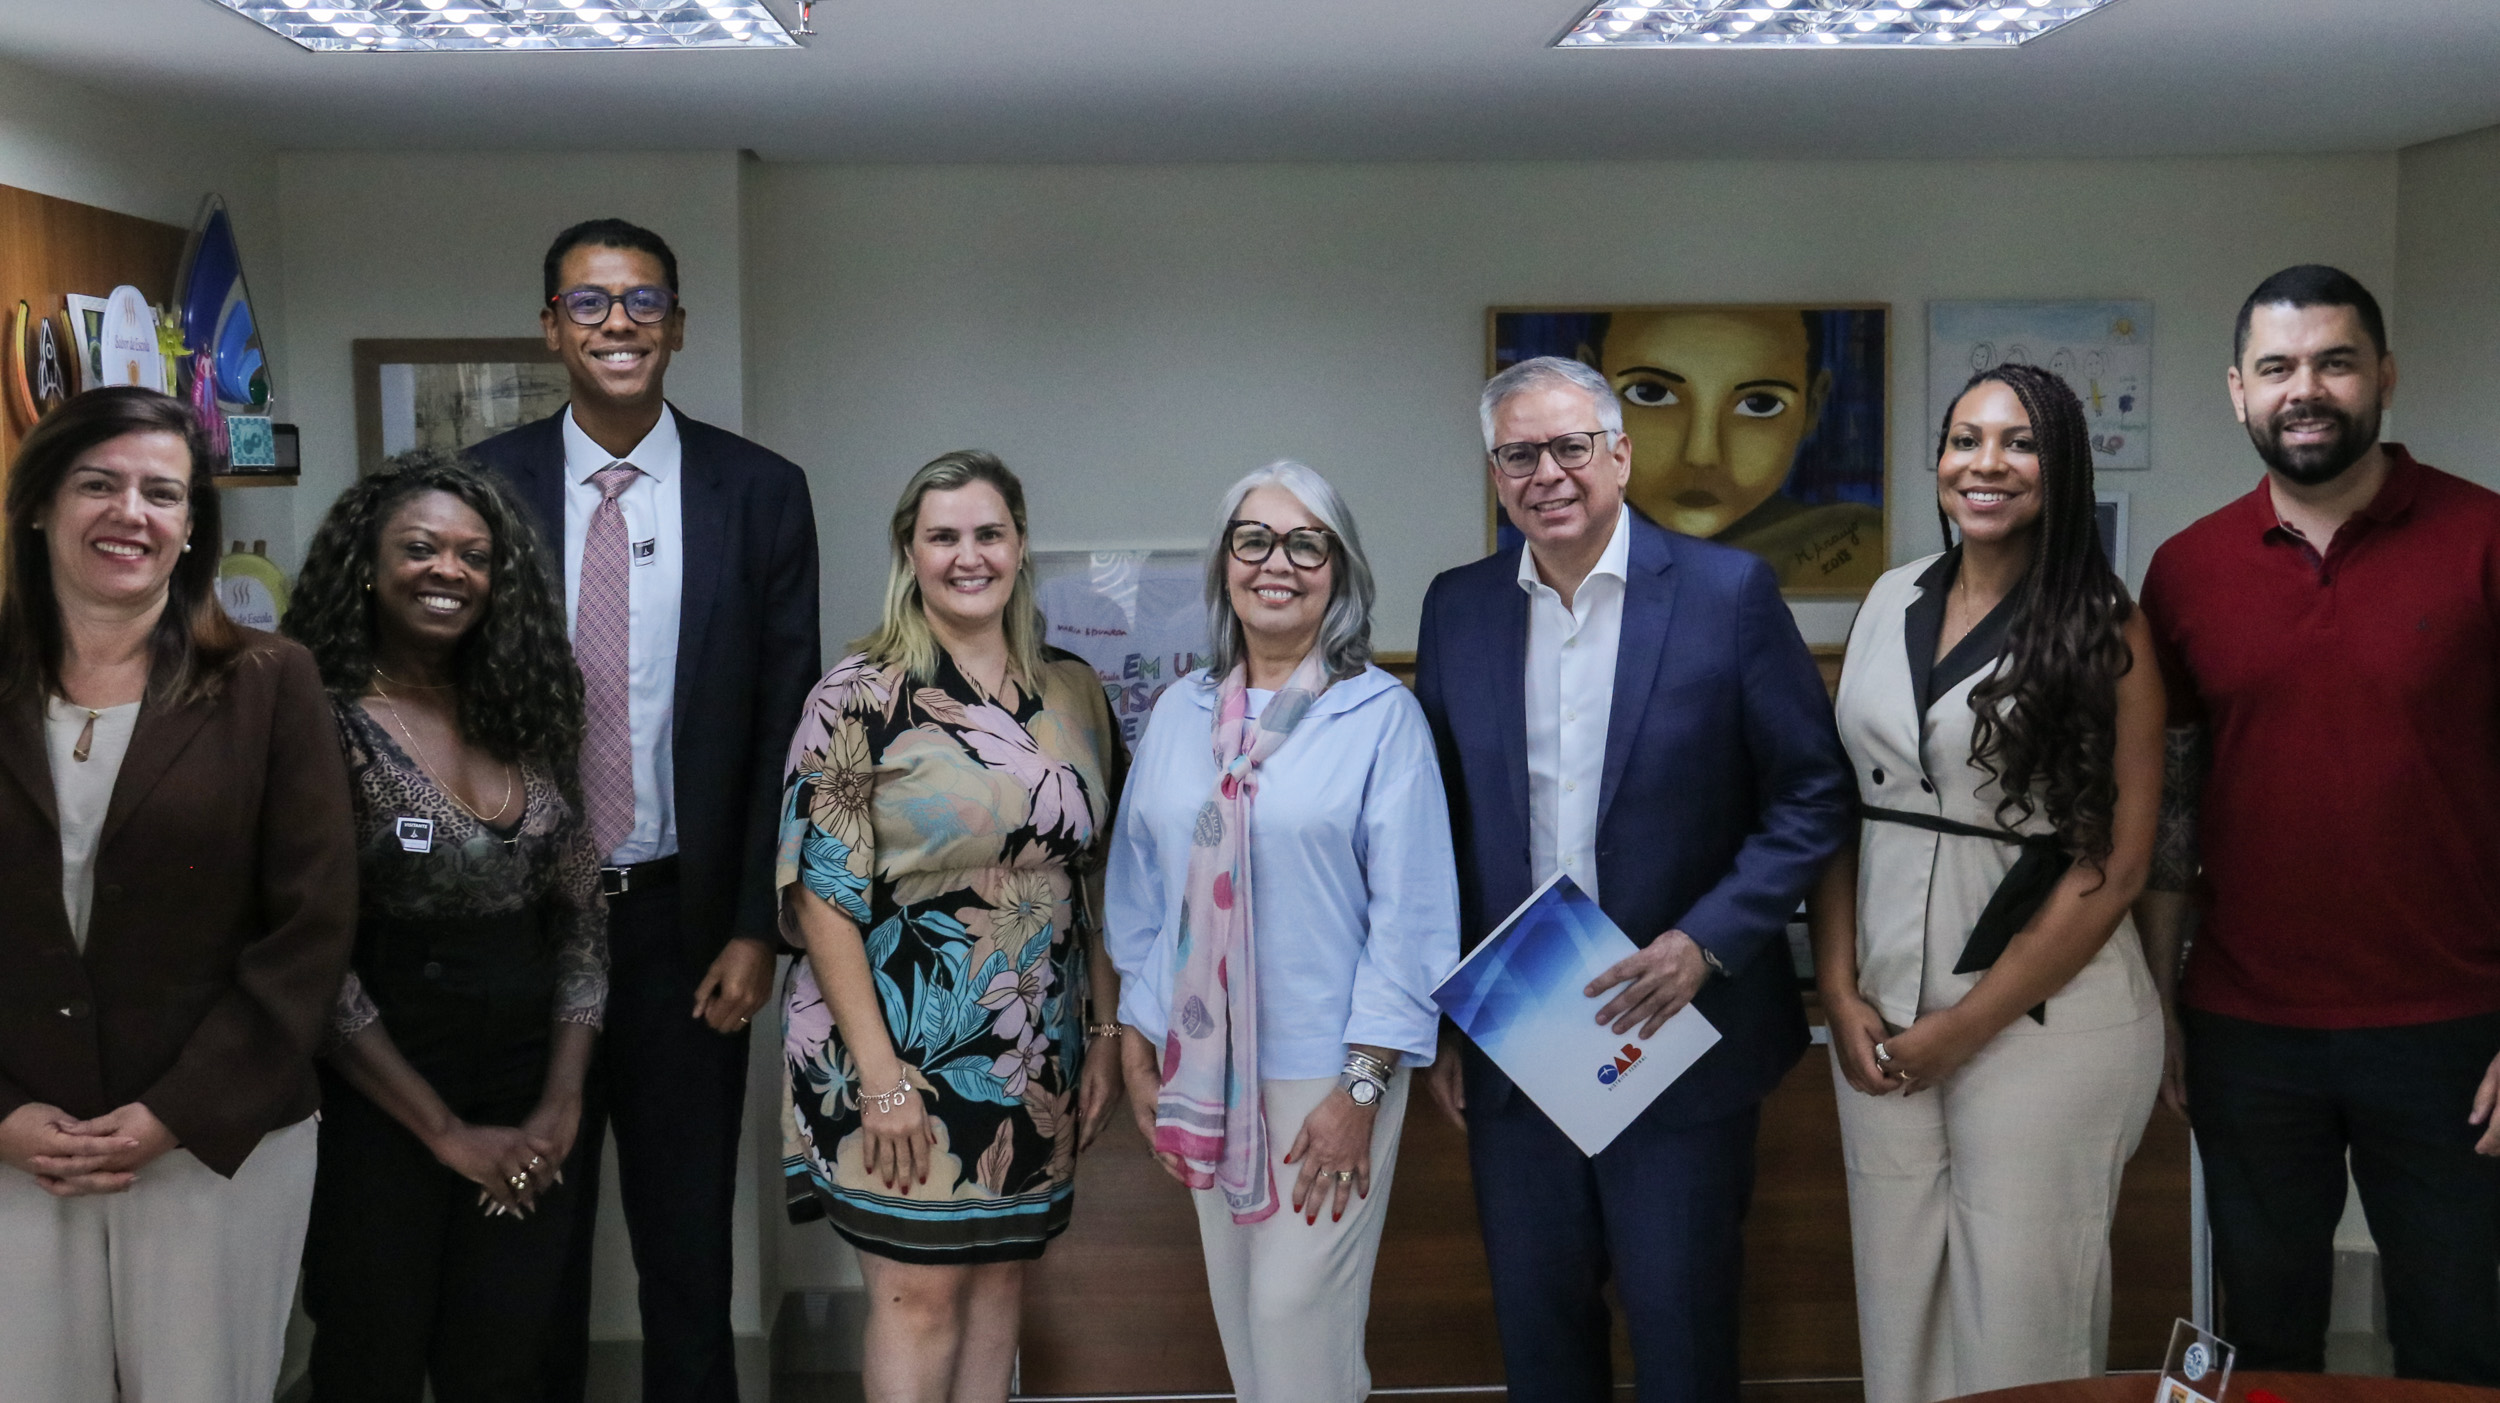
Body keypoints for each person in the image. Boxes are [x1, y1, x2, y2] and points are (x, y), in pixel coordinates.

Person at [1414, 356, 1852, 1403]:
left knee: (1682, 1338)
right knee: (1541, 1339)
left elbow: (1813, 792)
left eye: (1570, 446)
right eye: (1519, 454)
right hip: (1517, 1034)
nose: (1547, 473)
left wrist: (1705, 941)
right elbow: (1436, 827)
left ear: (1620, 454)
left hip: (1677, 1032)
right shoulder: (1458, 608)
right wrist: (1445, 1021)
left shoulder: (1726, 593)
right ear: (1495, 474)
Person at [467, 217, 821, 1403]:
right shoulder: (481, 487)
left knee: (687, 1246)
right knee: (531, 1242)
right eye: (588, 301)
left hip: (686, 930)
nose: (616, 322)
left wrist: (756, 924)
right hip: (522, 925)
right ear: (550, 327)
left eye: (641, 300)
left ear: (677, 324)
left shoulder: (759, 492)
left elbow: (785, 728)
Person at [2137, 265, 2500, 1383]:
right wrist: (2162, 1005)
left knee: (2457, 1339)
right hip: (2247, 1027)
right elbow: (2172, 813)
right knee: (2263, 1338)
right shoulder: (2185, 571)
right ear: (2237, 390)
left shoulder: (2485, 538)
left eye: (2334, 362)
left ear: (2383, 376)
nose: (2306, 389)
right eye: (2278, 367)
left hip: (2452, 1026)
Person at [1808, 363, 2164, 1403]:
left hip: (2043, 1020)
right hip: (1880, 1013)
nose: (1986, 463)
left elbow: (2118, 864)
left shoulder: (2105, 624)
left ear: (2061, 470)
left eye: (2020, 443)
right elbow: (1841, 803)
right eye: (1965, 439)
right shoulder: (1890, 597)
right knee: (1899, 1305)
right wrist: (1836, 986)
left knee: (2021, 1319)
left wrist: (1963, 1027)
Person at [0, 387, 358, 1402]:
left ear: (192, 525)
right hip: (16, 1138)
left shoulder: (271, 683)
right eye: (98, 484)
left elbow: (312, 924)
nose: (132, 513)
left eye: (162, 493)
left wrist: (174, 1111)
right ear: (40, 505)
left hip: (213, 1135)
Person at [1106, 461, 1462, 1403]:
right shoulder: (1179, 712)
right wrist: (1141, 1038)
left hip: (1329, 1072)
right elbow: (1141, 891)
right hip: (1203, 1066)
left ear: (1339, 571)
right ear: (1224, 563)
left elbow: (1415, 918)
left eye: (1307, 544)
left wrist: (1361, 1087)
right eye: (1254, 539)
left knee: (1295, 1319)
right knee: (1244, 1329)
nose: (1278, 562)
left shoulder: (1380, 716)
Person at [776, 451, 1126, 1403]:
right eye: (943, 537)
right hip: (896, 1052)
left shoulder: (1073, 690)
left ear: (1020, 544)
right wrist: (881, 1077)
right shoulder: (858, 696)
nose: (969, 556)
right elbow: (818, 897)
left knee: (1001, 1282)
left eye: (988, 533)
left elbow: (1097, 876)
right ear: (909, 552)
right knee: (920, 1298)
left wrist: (1102, 1031)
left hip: (1033, 1055)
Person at [283, 452, 608, 1401]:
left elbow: (581, 913)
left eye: (474, 555)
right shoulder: (318, 715)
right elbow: (317, 954)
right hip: (378, 1084)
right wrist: (445, 1132)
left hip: (525, 1073)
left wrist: (563, 1098)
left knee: (503, 1355)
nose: (449, 571)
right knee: (371, 1354)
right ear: (367, 566)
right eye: (420, 548)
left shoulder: (528, 702)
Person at [1599, 307, 1883, 591]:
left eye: (1760, 403)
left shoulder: (1857, 543)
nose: (1702, 455)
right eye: (1650, 393)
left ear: (1813, 406)